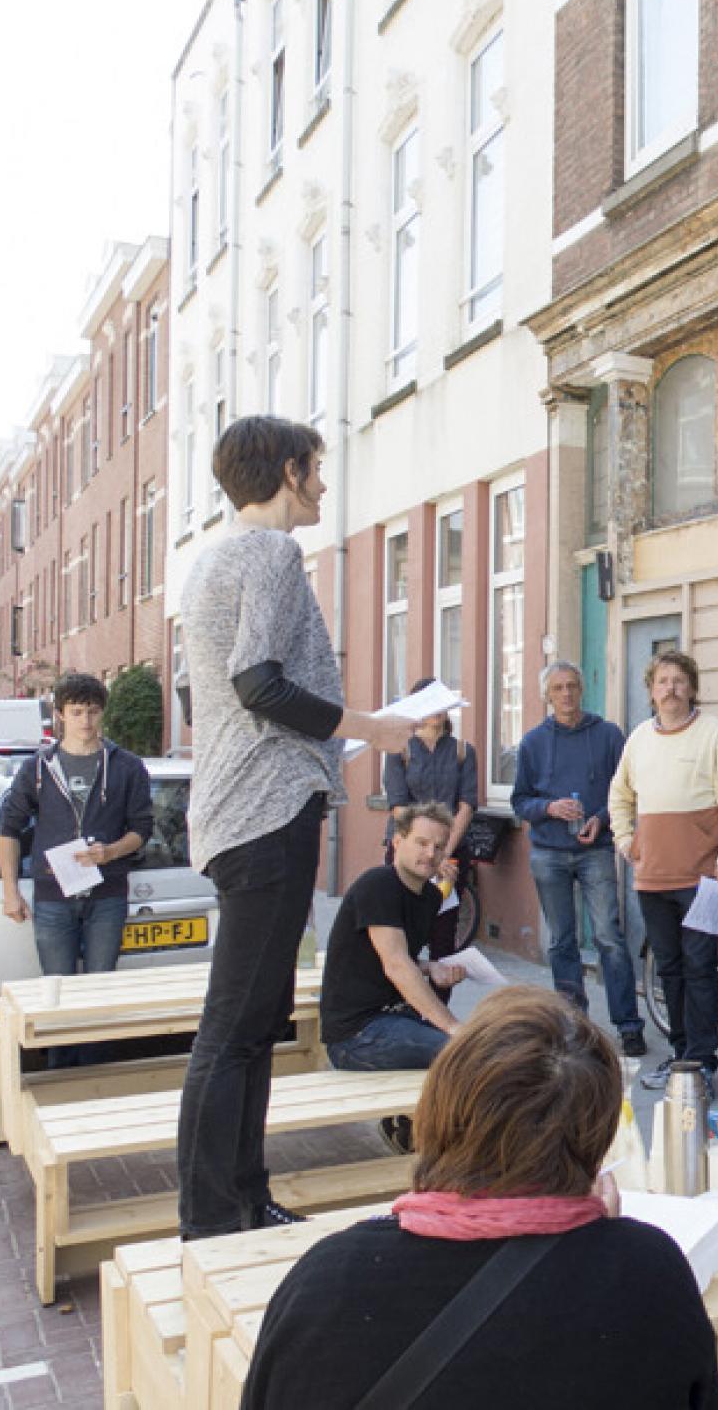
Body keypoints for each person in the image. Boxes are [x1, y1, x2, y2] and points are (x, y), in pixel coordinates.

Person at [240, 987, 718, 1409]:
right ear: (597, 1140)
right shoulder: (648, 1272)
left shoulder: (328, 1280)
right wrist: (606, 1245)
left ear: (439, 1109)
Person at [174, 415, 418, 1241]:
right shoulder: (273, 553)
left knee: (247, 1023)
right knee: (236, 1029)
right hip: (266, 816)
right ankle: (214, 1217)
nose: (321, 481)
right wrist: (371, 727)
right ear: (287, 470)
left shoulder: (211, 560)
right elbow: (259, 684)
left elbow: (224, 695)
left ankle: (242, 1198)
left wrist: (334, 736)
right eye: (315, 467)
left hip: (241, 811)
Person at [607, 649, 718, 1093]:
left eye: (679, 681)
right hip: (653, 877)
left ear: (692, 688)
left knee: (700, 968)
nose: (671, 688)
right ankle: (680, 1054)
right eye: (662, 681)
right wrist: (626, 841)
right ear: (651, 691)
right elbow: (619, 797)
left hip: (703, 876)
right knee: (667, 968)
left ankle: (702, 1062)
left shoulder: (714, 733)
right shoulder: (638, 739)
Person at [0, 671, 156, 1067]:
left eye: (93, 712)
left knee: (101, 987)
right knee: (57, 988)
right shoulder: (38, 767)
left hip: (107, 894)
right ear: (61, 715)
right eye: (77, 711)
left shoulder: (126, 766)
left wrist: (112, 851)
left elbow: (143, 829)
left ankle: (94, 1073)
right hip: (53, 894)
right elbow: (9, 829)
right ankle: (59, 1072)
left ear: (103, 714)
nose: (86, 721)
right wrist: (10, 891)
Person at [512, 659, 646, 1058]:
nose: (566, 694)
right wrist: (549, 808)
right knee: (562, 941)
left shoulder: (607, 736)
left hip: (596, 850)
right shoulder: (533, 743)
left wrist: (601, 820)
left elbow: (626, 791)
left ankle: (629, 1025)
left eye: (572, 686)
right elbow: (520, 801)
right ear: (546, 696)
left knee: (609, 937)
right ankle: (574, 1025)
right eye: (558, 689)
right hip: (549, 852)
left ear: (582, 689)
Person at [322, 802, 468, 1071]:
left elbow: (395, 958)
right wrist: (451, 1026)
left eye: (438, 847)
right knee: (461, 1054)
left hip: (397, 1019)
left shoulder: (431, 897)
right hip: (356, 1033)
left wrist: (430, 967)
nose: (430, 853)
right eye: (421, 843)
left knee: (479, 1045)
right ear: (398, 842)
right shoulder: (378, 884)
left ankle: (409, 1115)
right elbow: (396, 964)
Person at [381, 678, 479, 978]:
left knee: (444, 933)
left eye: (441, 701)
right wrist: (424, 850)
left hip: (449, 852)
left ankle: (438, 1012)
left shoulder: (463, 751)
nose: (437, 709)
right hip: (407, 853)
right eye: (429, 701)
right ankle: (402, 1004)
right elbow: (398, 806)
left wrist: (442, 854)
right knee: (403, 928)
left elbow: (467, 805)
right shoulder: (399, 749)